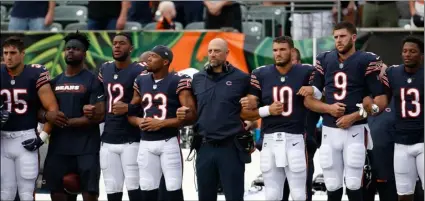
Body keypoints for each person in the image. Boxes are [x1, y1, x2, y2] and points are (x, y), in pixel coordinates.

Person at [303, 21, 388, 201]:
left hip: (356, 130)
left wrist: (355, 116)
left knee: (354, 183)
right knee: (332, 184)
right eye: (335, 37)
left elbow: (380, 101)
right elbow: (309, 100)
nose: (339, 41)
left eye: (343, 36)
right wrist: (328, 108)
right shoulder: (324, 59)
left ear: (354, 37)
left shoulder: (367, 60)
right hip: (329, 130)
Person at [240, 36, 313, 201]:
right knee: (272, 195)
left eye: (282, 49)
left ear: (292, 51)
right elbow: (244, 114)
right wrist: (267, 110)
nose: (278, 54)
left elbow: (320, 95)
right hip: (269, 139)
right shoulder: (261, 73)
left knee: (299, 195)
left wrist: (313, 90)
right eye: (275, 50)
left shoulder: (306, 71)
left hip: (295, 137)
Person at [40, 32, 104, 201]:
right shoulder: (54, 82)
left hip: (87, 148)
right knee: (57, 193)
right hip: (58, 148)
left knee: (89, 194)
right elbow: (39, 112)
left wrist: (67, 121)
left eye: (75, 49)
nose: (70, 52)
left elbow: (99, 115)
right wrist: (48, 115)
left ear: (84, 53)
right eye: (68, 49)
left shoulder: (93, 81)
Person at [0, 35, 65, 201]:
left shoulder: (35, 73)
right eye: (5, 53)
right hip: (2, 139)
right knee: (5, 193)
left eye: (13, 53)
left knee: (27, 194)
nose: (8, 57)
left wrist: (42, 137)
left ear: (23, 54)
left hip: (25, 137)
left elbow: (53, 110)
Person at [128, 46, 196, 201]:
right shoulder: (141, 80)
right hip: (145, 142)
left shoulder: (179, 80)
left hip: (168, 141)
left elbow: (192, 116)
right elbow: (130, 113)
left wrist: (162, 123)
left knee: (173, 189)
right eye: (148, 56)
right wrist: (139, 121)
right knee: (147, 189)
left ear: (165, 61)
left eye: (153, 56)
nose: (148, 59)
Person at [83, 33, 146, 201]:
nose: (117, 46)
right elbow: (99, 96)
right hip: (109, 138)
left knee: (135, 188)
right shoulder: (105, 68)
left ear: (131, 48)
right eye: (114, 43)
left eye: (122, 43)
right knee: (112, 189)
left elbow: (149, 103)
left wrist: (129, 107)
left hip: (132, 138)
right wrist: (92, 107)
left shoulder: (140, 71)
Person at [190, 38, 254, 201]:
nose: (212, 54)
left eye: (217, 51)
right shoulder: (197, 78)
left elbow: (254, 109)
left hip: (231, 147)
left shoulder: (242, 78)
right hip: (204, 146)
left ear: (227, 53)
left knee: (234, 196)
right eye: (210, 51)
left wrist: (252, 123)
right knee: (205, 197)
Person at [381, 36, 424, 201]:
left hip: (422, 139)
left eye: (413, 51)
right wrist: (372, 105)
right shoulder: (392, 73)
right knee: (404, 194)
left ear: (422, 55)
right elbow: (382, 97)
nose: (408, 54)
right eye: (405, 51)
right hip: (401, 141)